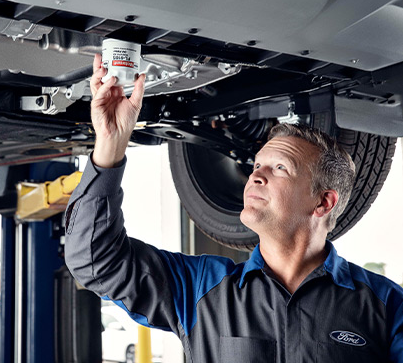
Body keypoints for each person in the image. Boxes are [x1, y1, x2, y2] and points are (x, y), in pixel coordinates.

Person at [64, 54, 403, 362]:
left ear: (323, 202)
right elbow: (94, 260)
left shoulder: (386, 306)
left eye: (280, 168)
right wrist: (110, 144)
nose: (255, 176)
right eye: (257, 166)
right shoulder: (200, 288)